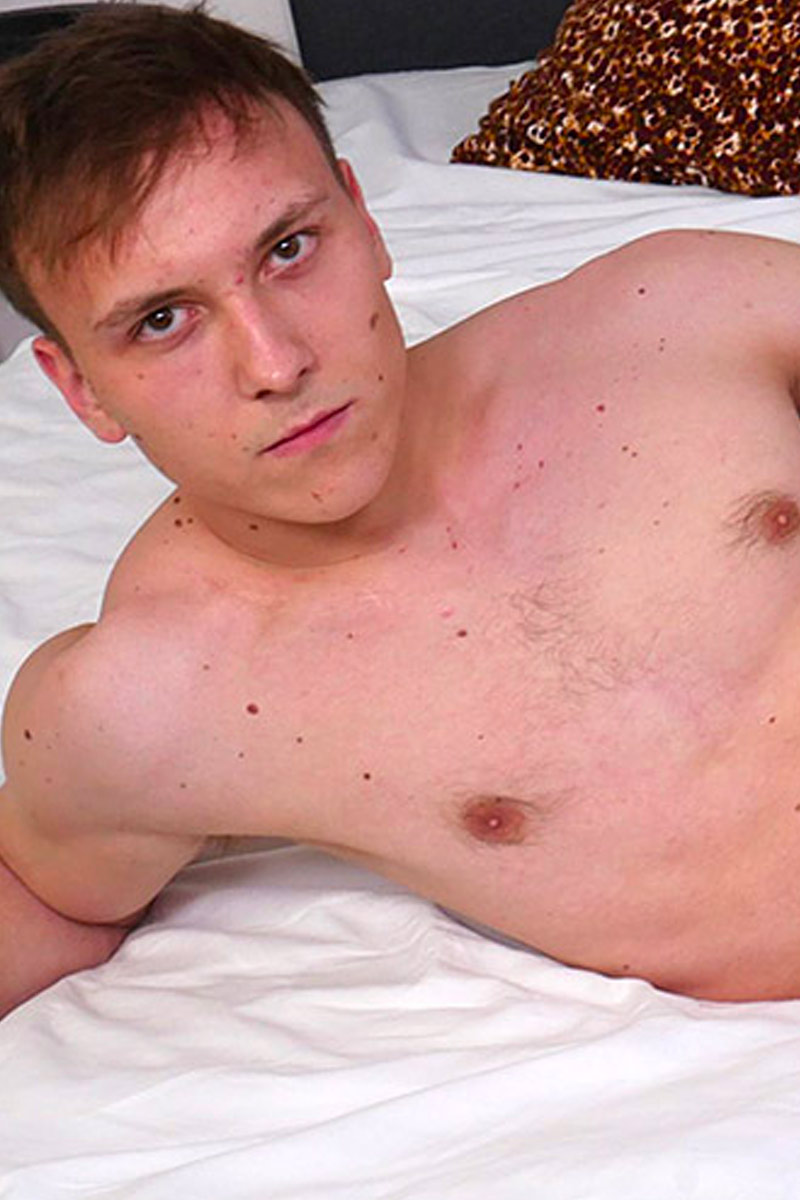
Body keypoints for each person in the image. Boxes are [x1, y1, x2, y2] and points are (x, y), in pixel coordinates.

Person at [2, 3, 800, 1018]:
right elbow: (42, 892)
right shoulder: (144, 702)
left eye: (289, 249)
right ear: (81, 390)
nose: (275, 362)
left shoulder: (677, 315)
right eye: (163, 321)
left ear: (363, 221)